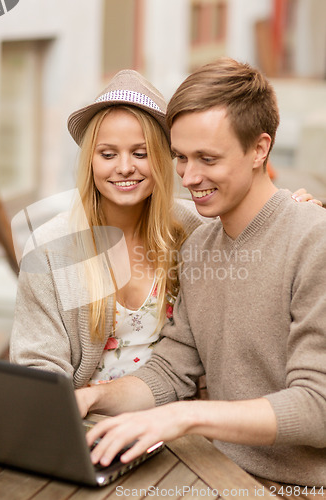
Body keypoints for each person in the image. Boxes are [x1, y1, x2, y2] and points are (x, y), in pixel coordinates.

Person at [77, 59, 326, 488]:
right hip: (210, 473)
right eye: (180, 157)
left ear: (260, 150)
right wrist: (93, 396)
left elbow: (317, 407)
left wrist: (183, 417)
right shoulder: (198, 248)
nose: (189, 178)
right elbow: (173, 370)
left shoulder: (312, 242)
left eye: (207, 159)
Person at [10, 70, 203, 386]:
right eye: (108, 154)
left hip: (171, 416)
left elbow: (249, 227)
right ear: (90, 161)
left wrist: (292, 208)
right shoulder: (49, 247)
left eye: (140, 153)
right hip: (85, 418)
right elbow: (37, 363)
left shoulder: (192, 232)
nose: (125, 167)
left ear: (162, 157)